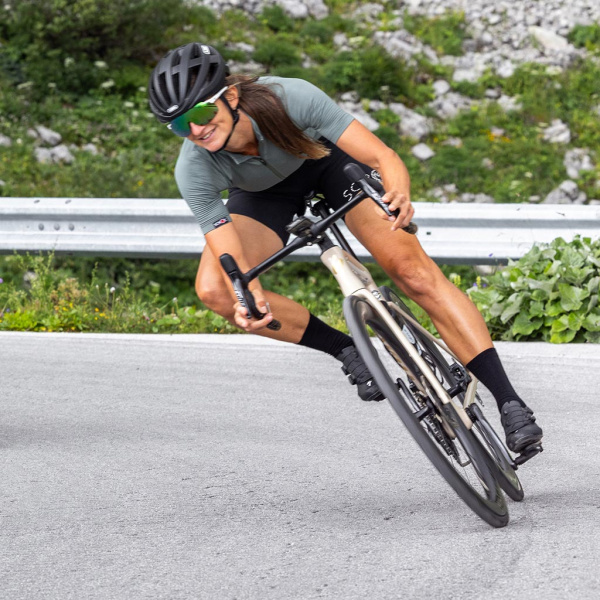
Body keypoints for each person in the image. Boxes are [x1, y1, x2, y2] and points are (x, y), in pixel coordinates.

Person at [148, 42, 543, 455]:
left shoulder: (289, 97)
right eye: (179, 126)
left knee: (413, 273)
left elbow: (381, 155)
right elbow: (225, 247)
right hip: (263, 197)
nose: (195, 131)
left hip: (327, 163)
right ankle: (346, 347)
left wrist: (399, 192)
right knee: (218, 290)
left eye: (201, 114)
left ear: (229, 97)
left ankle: (509, 402)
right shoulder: (193, 167)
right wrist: (248, 291)